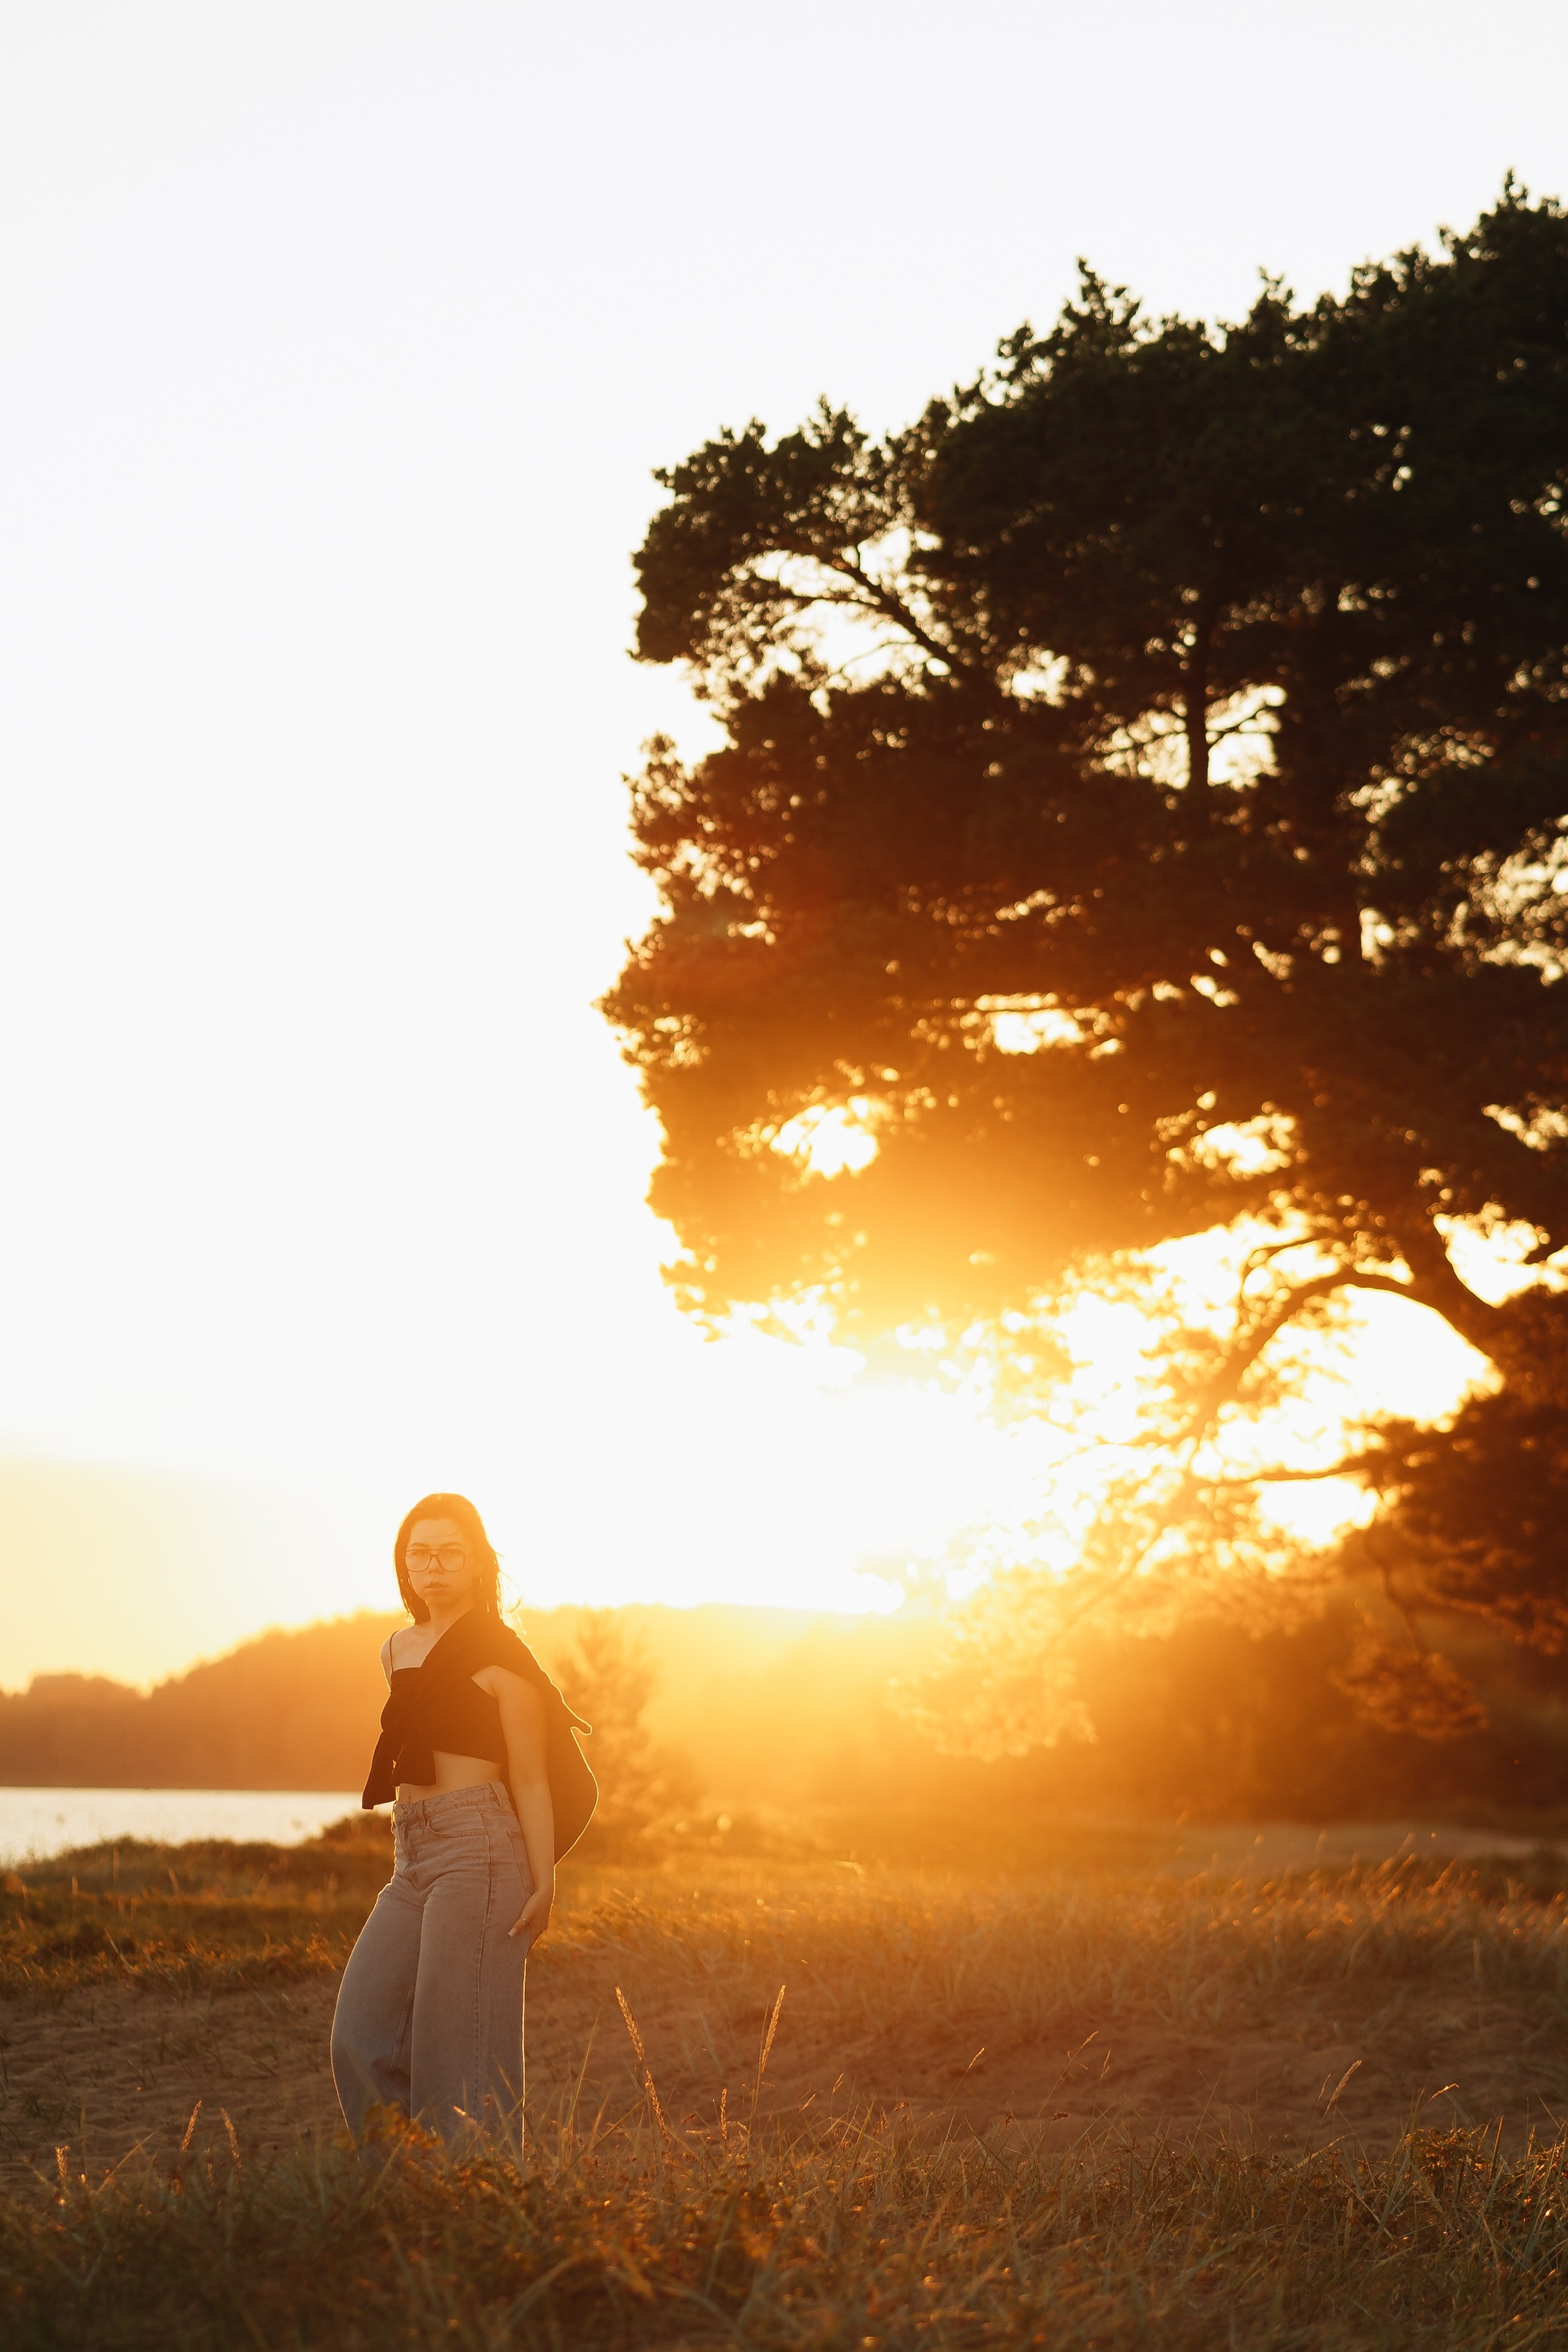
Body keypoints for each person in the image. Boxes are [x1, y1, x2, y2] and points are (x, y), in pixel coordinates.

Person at [330, 1491, 592, 2141]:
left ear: (478, 1562)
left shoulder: (503, 1655)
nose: (435, 1567)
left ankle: (478, 2194)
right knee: (360, 2039)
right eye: (420, 1554)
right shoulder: (396, 1650)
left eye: (451, 1553)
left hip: (482, 1849)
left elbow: (529, 1777)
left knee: (459, 2062)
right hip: (411, 1854)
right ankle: (409, 2188)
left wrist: (543, 1882)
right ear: (404, 1565)